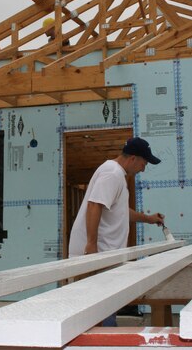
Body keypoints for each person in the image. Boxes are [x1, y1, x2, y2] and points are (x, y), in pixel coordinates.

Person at [68, 137, 165, 326]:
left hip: (103, 255)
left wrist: (149, 219)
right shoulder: (112, 173)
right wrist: (91, 245)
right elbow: (94, 205)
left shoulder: (116, 174)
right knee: (91, 316)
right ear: (133, 159)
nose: (143, 169)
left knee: (104, 311)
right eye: (144, 164)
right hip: (97, 256)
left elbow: (119, 212)